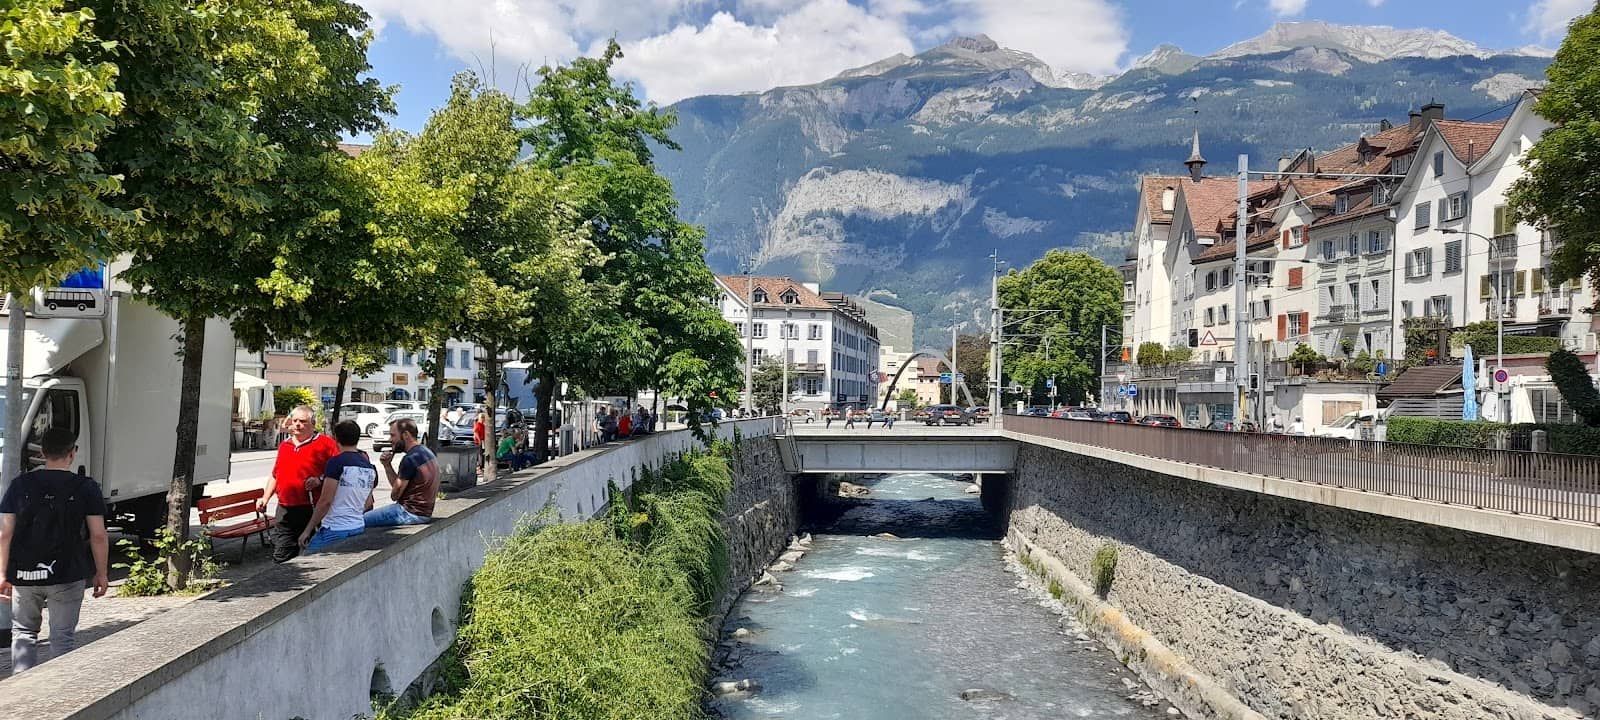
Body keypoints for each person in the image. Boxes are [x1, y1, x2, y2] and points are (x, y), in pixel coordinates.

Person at [0, 427, 109, 672]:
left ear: (42, 452)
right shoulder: (86, 487)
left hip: (25, 574)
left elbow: (5, 532)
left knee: (24, 633)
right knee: (62, 638)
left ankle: (24, 688)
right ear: (73, 453)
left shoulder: (20, 485)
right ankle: (57, 691)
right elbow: (99, 535)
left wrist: (2, 573)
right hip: (67, 574)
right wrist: (101, 573)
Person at [261, 405, 338, 563]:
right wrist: (265, 498)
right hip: (285, 508)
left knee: (313, 555)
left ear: (313, 423)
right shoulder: (285, 446)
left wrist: (320, 479)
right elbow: (275, 474)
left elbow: (337, 472)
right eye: (294, 421)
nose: (297, 424)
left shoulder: (326, 444)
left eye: (302, 421)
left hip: (311, 508)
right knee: (282, 553)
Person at [300, 421, 377, 553]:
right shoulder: (368, 467)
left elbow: (325, 501)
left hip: (335, 528)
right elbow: (369, 502)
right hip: (358, 526)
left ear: (336, 438)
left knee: (305, 560)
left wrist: (307, 530)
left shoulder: (336, 463)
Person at [366, 418, 440, 527]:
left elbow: (395, 495)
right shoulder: (425, 452)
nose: (390, 439)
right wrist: (387, 466)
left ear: (405, 435)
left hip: (409, 513)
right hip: (423, 513)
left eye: (393, 435)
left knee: (360, 521)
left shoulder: (411, 459)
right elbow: (399, 487)